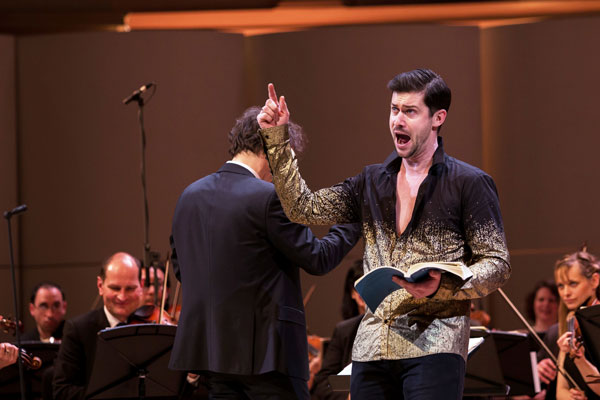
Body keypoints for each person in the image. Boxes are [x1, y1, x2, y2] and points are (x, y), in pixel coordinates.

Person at [257, 69, 511, 399]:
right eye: (394, 110)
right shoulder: (371, 181)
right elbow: (303, 208)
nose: (398, 121)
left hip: (435, 345)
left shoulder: (469, 183)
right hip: (372, 348)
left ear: (437, 118)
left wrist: (443, 286)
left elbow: (497, 264)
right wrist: (277, 139)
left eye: (410, 111)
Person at [169, 106, 361, 400]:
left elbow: (182, 269)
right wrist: (354, 217)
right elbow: (318, 257)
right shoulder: (268, 197)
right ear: (270, 150)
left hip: (213, 357)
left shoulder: (188, 196)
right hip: (269, 356)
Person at [53, 252, 143, 400]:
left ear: (141, 286)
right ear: (100, 286)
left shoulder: (149, 327)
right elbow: (62, 391)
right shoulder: (78, 330)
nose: (122, 297)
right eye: (115, 288)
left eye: (130, 289)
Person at [311, 260, 366, 400]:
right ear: (352, 293)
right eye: (359, 286)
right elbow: (324, 384)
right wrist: (350, 395)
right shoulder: (344, 331)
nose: (365, 291)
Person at [553, 248, 600, 400]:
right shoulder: (570, 321)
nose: (565, 293)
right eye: (561, 286)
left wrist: (580, 361)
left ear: (594, 280)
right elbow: (560, 392)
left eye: (573, 284)